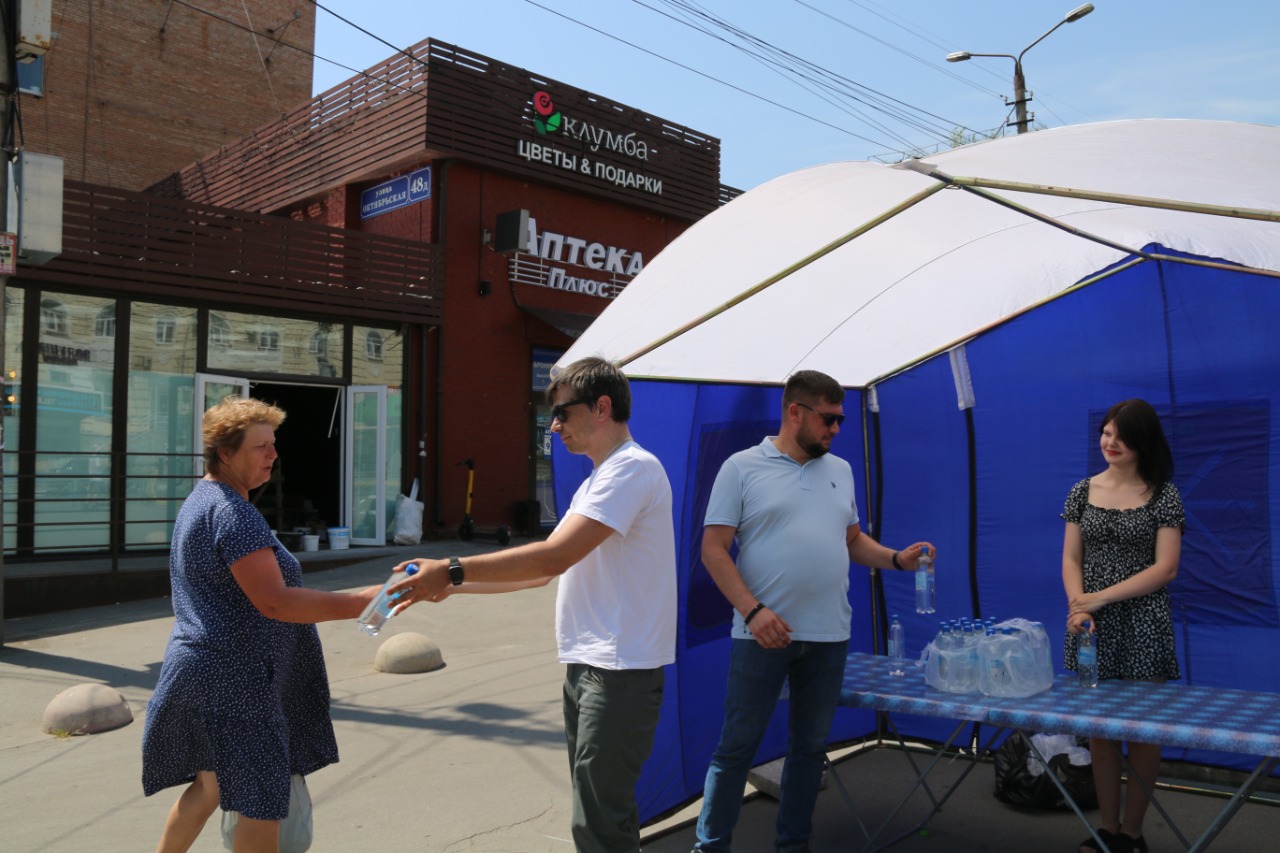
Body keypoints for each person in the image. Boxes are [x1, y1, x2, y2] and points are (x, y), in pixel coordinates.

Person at [389, 356, 677, 853]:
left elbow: (554, 553)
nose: (555, 425)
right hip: (590, 665)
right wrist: (445, 587)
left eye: (563, 412)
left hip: (618, 668)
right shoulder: (596, 479)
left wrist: (453, 568)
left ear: (602, 407)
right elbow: (544, 572)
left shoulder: (631, 469)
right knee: (602, 816)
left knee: (600, 825)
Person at [693, 370, 934, 853]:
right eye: (829, 418)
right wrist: (753, 611)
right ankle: (710, 847)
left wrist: (894, 559)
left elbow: (850, 540)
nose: (837, 429)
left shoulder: (840, 470)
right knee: (736, 748)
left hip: (828, 634)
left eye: (841, 419)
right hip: (761, 632)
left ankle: (793, 846)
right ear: (794, 412)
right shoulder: (740, 467)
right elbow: (713, 550)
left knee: (808, 750)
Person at [142, 397, 379, 853]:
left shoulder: (203, 500)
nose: (272, 455)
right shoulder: (233, 512)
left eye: (273, 445)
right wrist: (362, 603)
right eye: (260, 447)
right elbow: (275, 602)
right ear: (225, 452)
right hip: (237, 679)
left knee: (211, 785)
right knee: (259, 800)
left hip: (205, 670)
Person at [1062, 399, 1183, 853]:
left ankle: (1134, 833)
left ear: (1143, 442)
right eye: (1106, 432)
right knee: (1100, 730)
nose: (1110, 442)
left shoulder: (1163, 494)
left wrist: (1102, 597)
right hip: (1091, 624)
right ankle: (1107, 829)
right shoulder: (1081, 491)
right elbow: (1072, 558)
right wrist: (1079, 607)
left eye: (1121, 435)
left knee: (1142, 730)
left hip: (1144, 623)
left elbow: (1166, 569)